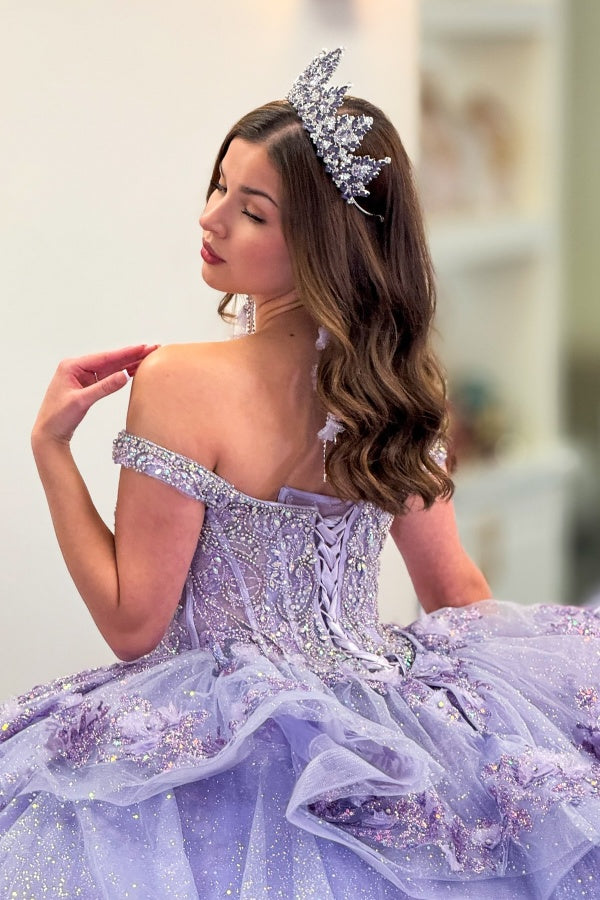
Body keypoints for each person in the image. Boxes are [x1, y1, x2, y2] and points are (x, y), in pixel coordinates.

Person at [1, 48, 599, 899]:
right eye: (219, 187)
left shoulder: (180, 381)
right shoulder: (397, 385)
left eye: (251, 211)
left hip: (224, 752)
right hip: (386, 737)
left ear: (324, 241)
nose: (210, 218)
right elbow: (456, 592)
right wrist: (508, 732)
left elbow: (134, 625)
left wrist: (51, 450)